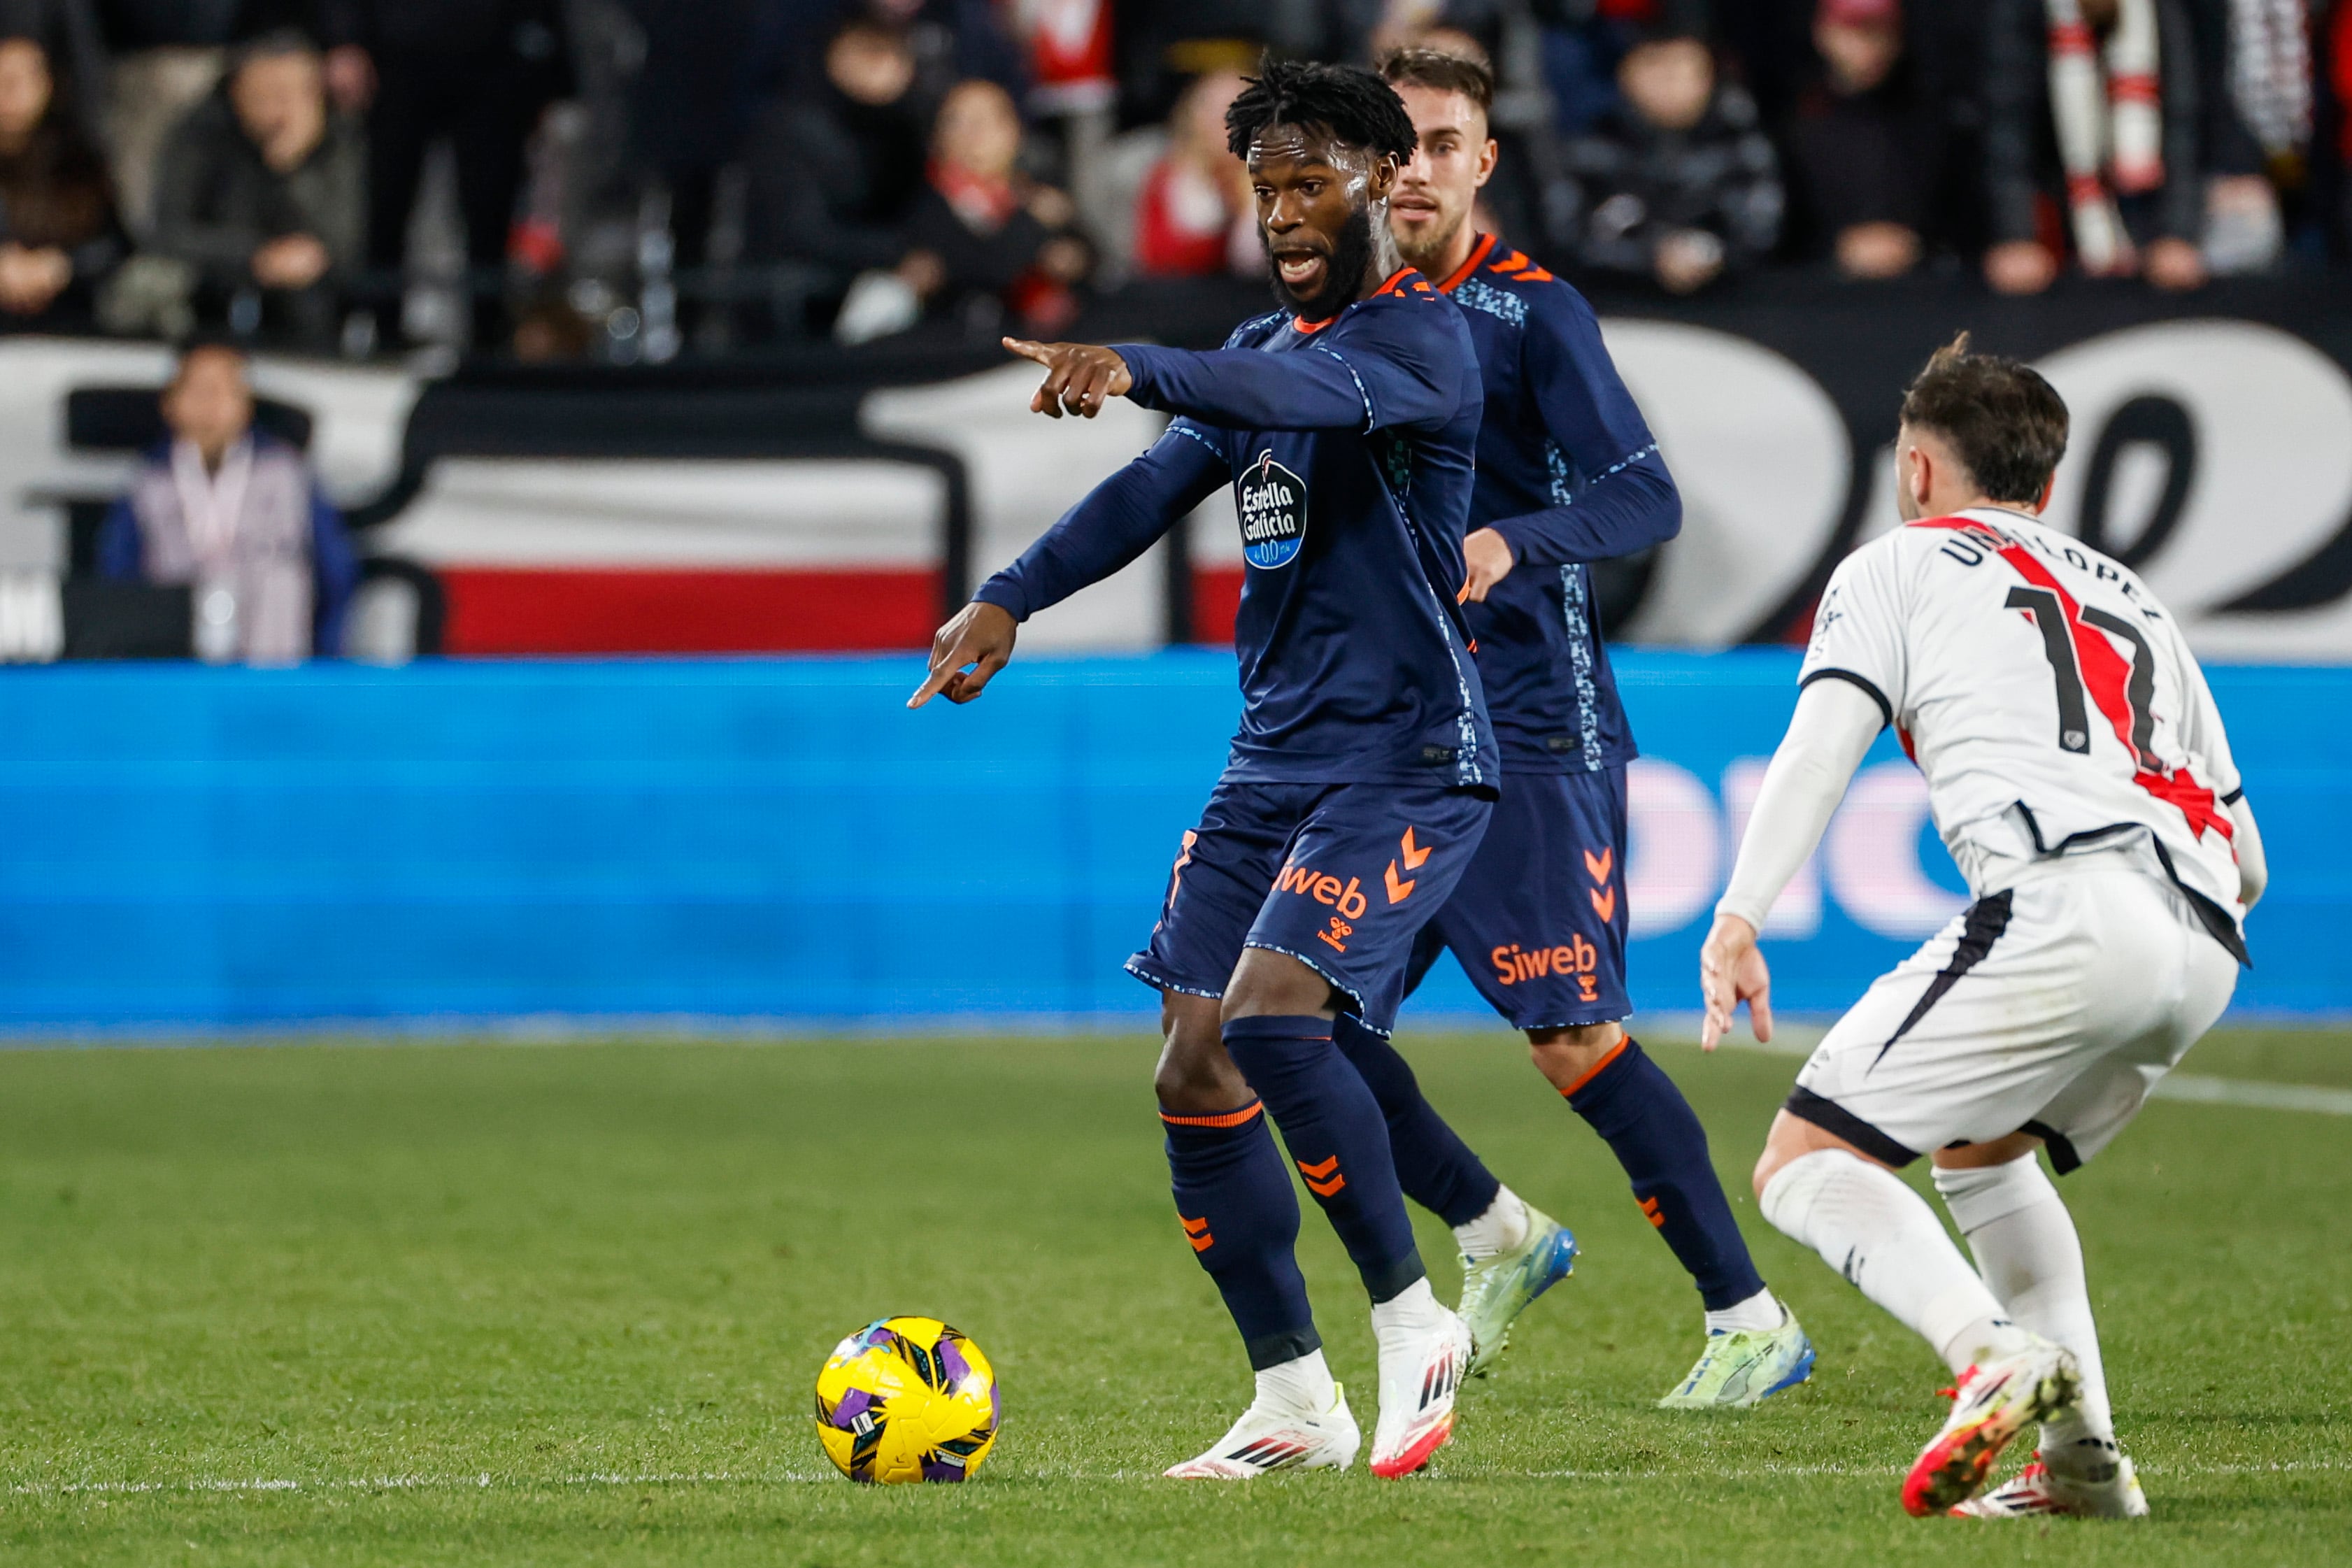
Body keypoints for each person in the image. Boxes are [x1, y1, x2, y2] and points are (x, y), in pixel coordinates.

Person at [912, 59, 1506, 1481]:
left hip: (1406, 753)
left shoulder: (1425, 342)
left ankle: (1414, 1314)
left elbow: (1270, 385)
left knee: (1275, 1015)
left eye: (1312, 183)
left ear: (1380, 185)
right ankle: (1290, 1399)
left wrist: (1139, 359)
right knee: (1191, 1065)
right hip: (1272, 759)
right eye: (1266, 190)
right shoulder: (1257, 349)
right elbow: (1145, 489)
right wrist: (1008, 593)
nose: (1286, 213)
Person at [1700, 335, 2267, 1518]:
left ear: (1914, 469)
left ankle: (1986, 1351)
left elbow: (1818, 750)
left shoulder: (1893, 564)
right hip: (2204, 937)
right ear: (2046, 486)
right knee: (1977, 1145)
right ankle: (2081, 1468)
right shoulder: (2132, 592)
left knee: (1803, 1162)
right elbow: (2248, 854)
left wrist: (1738, 912)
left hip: (2068, 904)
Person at [1376, 44, 1818, 1407]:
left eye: (1441, 142)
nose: (1414, 167)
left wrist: (1517, 537)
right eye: (1393, 144)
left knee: (1568, 1033)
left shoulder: (1534, 313)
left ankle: (1748, 1316)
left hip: (1530, 721)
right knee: (1294, 1021)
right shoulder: (1347, 311)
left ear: (1484, 158)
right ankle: (1494, 1230)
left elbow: (1643, 499)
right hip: (1390, 725)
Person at [316, 0, 571, 343]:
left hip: (495, 52)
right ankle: (381, 328)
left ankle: (489, 335)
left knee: (490, 210)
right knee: (385, 202)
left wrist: (546, 61)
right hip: (394, 51)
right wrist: (344, 40)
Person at [98, 338, 360, 663]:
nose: (210, 402)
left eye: (223, 388)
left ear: (246, 402)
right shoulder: (147, 482)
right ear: (170, 402)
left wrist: (326, 661)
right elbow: (117, 581)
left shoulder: (288, 475)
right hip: (174, 669)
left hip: (277, 666)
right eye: (197, 388)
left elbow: (335, 572)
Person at [148, 29, 363, 347]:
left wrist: (292, 172)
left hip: (306, 306)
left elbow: (344, 243)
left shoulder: (338, 141)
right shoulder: (199, 136)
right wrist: (255, 257)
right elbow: (168, 233)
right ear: (237, 90)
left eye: (297, 93)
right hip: (209, 295)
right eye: (269, 93)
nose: (283, 108)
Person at [1559, 20, 1784, 294]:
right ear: (1625, 74)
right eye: (1654, 66)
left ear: (1708, 77)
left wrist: (1705, 252)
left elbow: (1762, 230)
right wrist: (1652, 254)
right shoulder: (1592, 146)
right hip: (1624, 306)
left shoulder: (1740, 140)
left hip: (1733, 304)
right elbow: (1569, 233)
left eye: (1681, 69)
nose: (1668, 82)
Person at [901, 78, 1088, 333]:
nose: (975, 134)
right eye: (959, 121)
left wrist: (1074, 257)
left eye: (989, 120)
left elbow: (1092, 255)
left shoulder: (1034, 190)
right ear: (938, 136)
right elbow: (979, 271)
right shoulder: (926, 201)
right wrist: (1032, 224)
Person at [1787, 0, 1932, 278]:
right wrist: (1838, 245)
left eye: (1881, 31)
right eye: (1856, 30)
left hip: (1921, 287)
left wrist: (1911, 243)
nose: (1870, 45)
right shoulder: (1798, 123)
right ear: (1823, 33)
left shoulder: (1929, 121)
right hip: (1819, 292)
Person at [0, 29, 122, 324]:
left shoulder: (78, 158)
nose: (10, 89)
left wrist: (62, 265)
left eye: (24, 76)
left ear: (48, 83)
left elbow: (116, 245)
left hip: (70, 319)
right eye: (2, 76)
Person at [1131, 69, 1255, 278]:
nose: (1232, 126)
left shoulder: (1281, 177)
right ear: (1196, 119)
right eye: (1221, 114)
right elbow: (1162, 256)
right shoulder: (1170, 176)